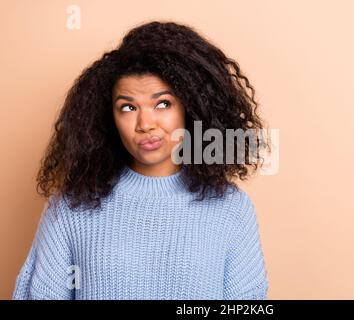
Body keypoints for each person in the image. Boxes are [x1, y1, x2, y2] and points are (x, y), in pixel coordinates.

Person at [13, 21, 270, 300]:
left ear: (191, 108)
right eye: (128, 107)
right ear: (108, 118)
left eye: (163, 103)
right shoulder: (71, 208)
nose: (145, 123)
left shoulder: (231, 210)